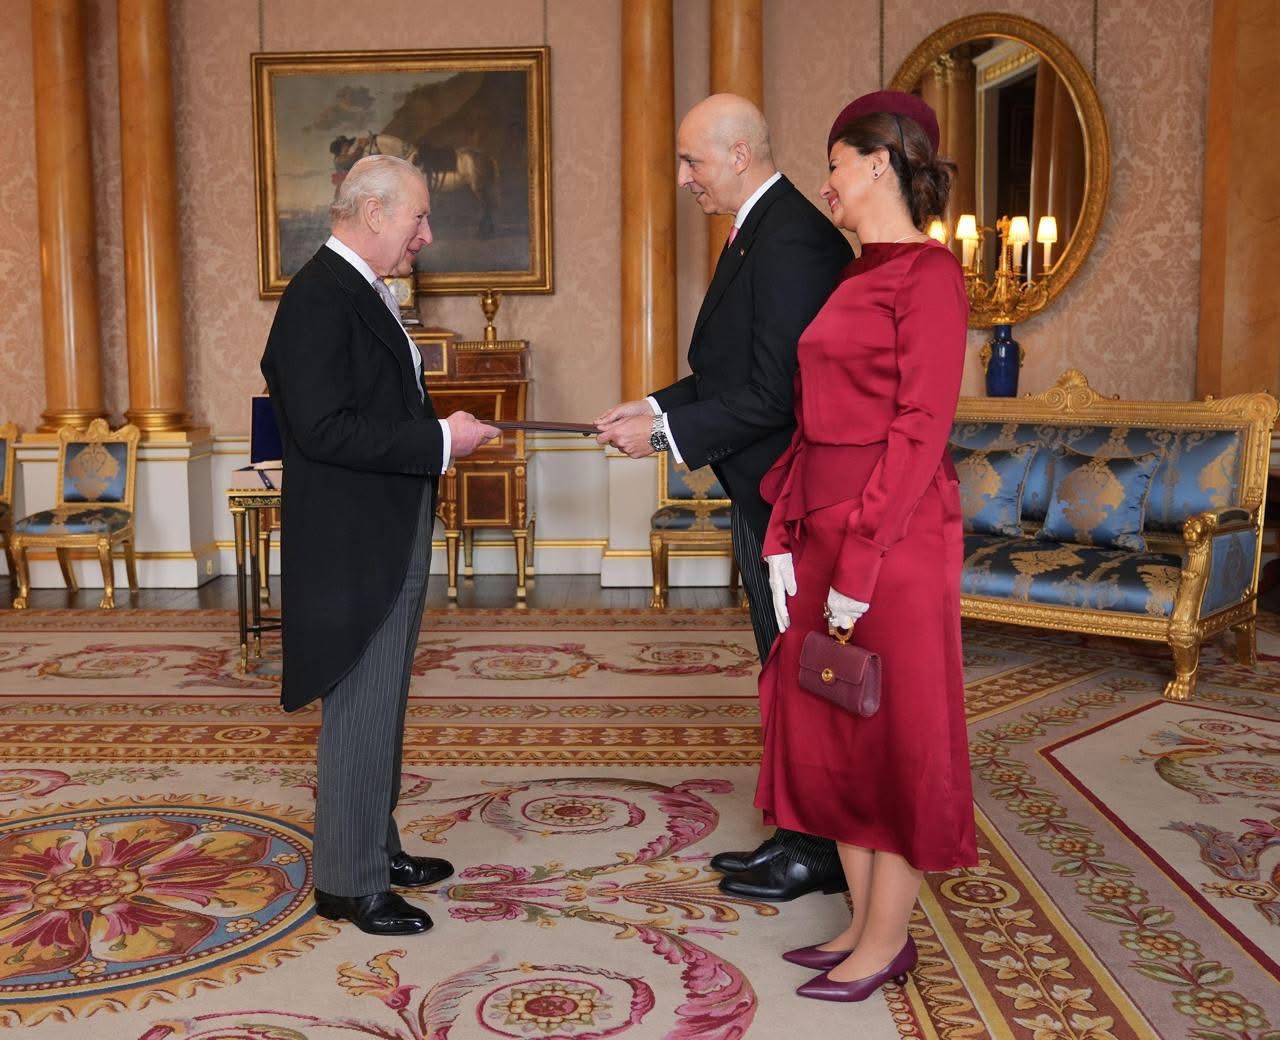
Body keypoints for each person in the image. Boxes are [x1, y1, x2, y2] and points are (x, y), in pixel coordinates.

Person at [595, 93, 853, 902]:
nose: (684, 179)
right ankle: (797, 831)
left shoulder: (791, 240)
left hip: (789, 497)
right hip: (762, 492)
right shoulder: (758, 230)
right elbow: (728, 371)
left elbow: (774, 394)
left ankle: (816, 849)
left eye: (692, 161)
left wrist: (663, 438)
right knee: (780, 666)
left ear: (740, 154)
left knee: (799, 671)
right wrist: (654, 407)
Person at [754, 92, 977, 1002]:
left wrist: (859, 558)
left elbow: (921, 429)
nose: (827, 183)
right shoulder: (856, 274)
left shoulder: (930, 275)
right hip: (824, 526)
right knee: (838, 725)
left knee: (895, 737)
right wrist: (785, 530)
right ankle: (857, 921)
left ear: (880, 163)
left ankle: (887, 942)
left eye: (836, 164)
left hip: (894, 536)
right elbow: (814, 421)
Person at [261, 154, 499, 936]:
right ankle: (348, 881)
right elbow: (325, 429)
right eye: (417, 217)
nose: (425, 235)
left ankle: (375, 845)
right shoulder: (317, 298)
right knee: (360, 703)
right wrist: (441, 440)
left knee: (384, 699)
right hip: (352, 542)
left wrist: (441, 435)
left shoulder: (358, 290)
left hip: (384, 528)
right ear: (373, 213)